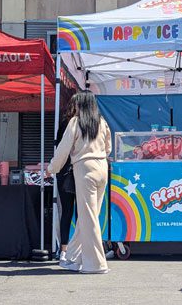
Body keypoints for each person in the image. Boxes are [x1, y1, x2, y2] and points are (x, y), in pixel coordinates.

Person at [47, 91, 112, 274]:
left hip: (85, 169)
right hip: (102, 168)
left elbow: (62, 150)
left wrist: (51, 168)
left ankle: (96, 264)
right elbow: (108, 148)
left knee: (88, 217)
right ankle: (74, 259)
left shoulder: (75, 122)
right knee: (88, 217)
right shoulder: (102, 122)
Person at [55, 95, 78, 263]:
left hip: (63, 171)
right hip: (77, 170)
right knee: (82, 213)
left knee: (67, 212)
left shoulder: (64, 123)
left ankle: (64, 249)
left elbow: (59, 149)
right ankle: (78, 249)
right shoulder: (78, 124)